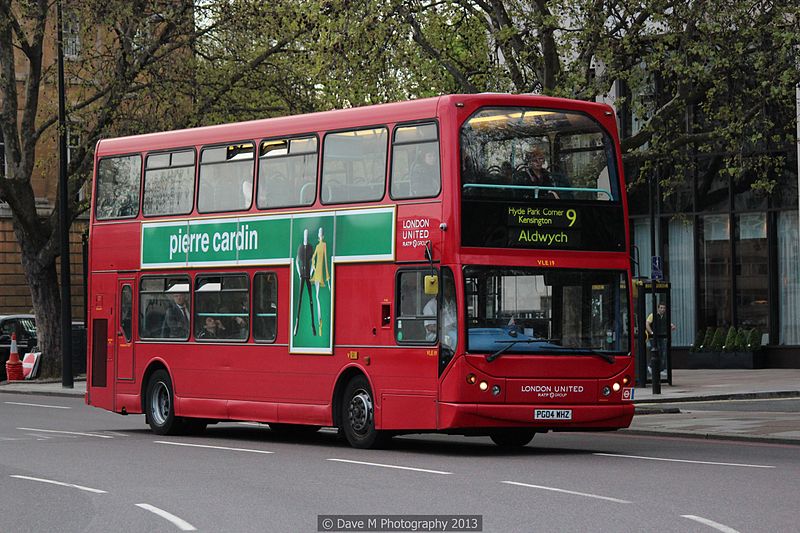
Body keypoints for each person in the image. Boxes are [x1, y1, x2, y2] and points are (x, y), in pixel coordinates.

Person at [293, 228, 316, 336]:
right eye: (304, 234)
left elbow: (312, 261)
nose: (306, 236)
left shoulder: (311, 247)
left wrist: (311, 272)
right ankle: (296, 325)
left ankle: (313, 325)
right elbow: (296, 261)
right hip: (302, 275)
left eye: (307, 234)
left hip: (308, 274)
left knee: (311, 299)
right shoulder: (300, 248)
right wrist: (298, 273)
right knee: (300, 299)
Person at [646, 303, 676, 378]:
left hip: (662, 337)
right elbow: (647, 324)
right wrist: (651, 332)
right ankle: (651, 366)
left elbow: (668, 323)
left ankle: (660, 369)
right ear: (658, 308)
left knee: (663, 352)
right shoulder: (652, 315)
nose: (662, 309)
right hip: (654, 337)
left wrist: (672, 326)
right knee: (657, 351)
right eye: (661, 308)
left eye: (664, 308)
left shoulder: (665, 317)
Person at [310, 227, 330, 336]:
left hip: (320, 273)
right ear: (318, 236)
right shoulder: (318, 246)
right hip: (317, 272)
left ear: (323, 236)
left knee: (317, 297)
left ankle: (320, 323)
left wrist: (327, 277)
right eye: (319, 233)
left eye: (321, 233)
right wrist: (313, 268)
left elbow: (326, 261)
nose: (320, 235)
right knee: (316, 297)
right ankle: (319, 323)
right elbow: (313, 258)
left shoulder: (323, 245)